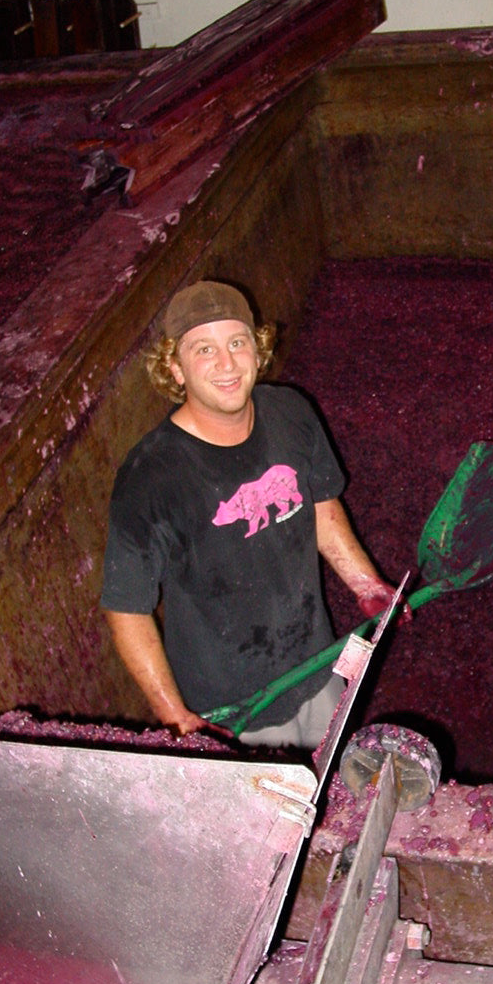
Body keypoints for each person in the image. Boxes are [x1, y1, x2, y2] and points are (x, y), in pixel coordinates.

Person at [100, 279, 404, 747]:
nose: (226, 363)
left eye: (237, 342)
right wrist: (176, 717)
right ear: (175, 368)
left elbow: (321, 509)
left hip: (317, 667)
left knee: (333, 786)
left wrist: (366, 583)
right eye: (204, 349)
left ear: (256, 350)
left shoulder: (291, 412)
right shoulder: (150, 478)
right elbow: (127, 610)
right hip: (233, 710)